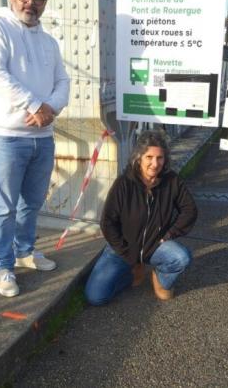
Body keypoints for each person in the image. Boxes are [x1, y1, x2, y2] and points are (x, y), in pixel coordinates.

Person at [0, 0, 70, 297]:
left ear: (45, 2)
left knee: (32, 202)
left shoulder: (48, 41)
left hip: (42, 138)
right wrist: (35, 105)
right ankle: (4, 266)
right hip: (6, 137)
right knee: (3, 208)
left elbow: (63, 82)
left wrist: (50, 109)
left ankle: (25, 252)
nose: (31, 2)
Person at [84, 130, 198, 306]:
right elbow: (107, 222)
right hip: (123, 248)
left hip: (155, 245)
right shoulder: (123, 184)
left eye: (160, 158)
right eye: (149, 157)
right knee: (96, 297)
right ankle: (132, 273)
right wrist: (129, 256)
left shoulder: (171, 181)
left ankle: (160, 278)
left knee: (182, 258)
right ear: (139, 158)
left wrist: (170, 234)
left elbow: (189, 210)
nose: (155, 163)